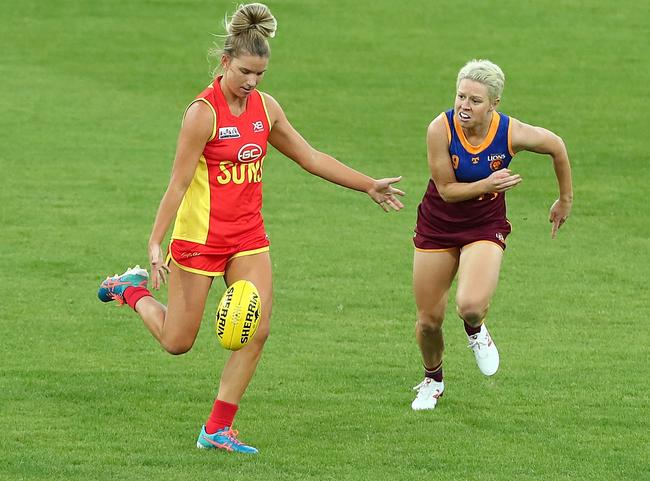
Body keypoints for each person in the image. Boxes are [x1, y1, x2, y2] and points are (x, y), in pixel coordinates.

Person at [97, 2, 404, 453]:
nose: (252, 82)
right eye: (244, 71)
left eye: (260, 74)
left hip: (247, 238)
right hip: (200, 238)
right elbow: (178, 183)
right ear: (224, 62)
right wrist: (155, 242)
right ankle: (129, 291)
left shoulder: (265, 108)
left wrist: (367, 185)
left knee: (256, 329)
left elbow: (310, 157)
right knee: (178, 342)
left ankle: (217, 428)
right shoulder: (203, 114)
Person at [411, 59, 572, 410]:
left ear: (494, 104)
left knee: (470, 307)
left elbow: (557, 145)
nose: (464, 107)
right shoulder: (440, 129)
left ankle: (475, 330)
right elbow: (446, 189)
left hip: (484, 225)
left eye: (475, 100)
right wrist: (489, 183)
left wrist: (565, 198)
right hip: (437, 224)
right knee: (428, 321)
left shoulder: (510, 133)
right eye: (460, 96)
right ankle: (432, 380)